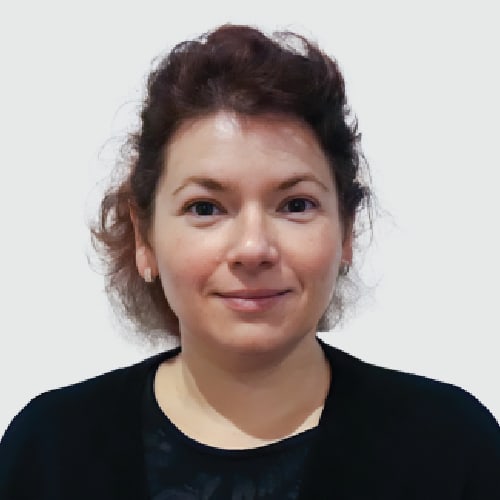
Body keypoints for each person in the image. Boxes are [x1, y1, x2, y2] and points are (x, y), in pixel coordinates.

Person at [1, 24, 499, 500]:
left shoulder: (451, 448)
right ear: (143, 237)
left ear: (346, 229)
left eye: (296, 204)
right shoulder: (49, 451)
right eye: (205, 208)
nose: (253, 248)